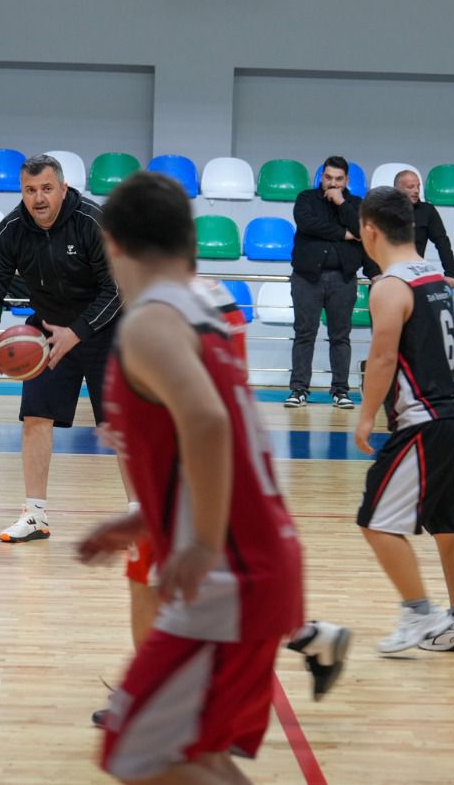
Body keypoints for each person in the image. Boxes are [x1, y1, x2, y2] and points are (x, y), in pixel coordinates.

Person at [77, 171, 303, 785]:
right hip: (262, 561)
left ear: (112, 244)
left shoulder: (151, 322)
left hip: (229, 574)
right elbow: (199, 443)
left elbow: (207, 423)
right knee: (196, 755)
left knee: (136, 751)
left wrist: (201, 542)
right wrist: (140, 522)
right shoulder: (208, 310)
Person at [353, 187, 454, 653]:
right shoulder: (434, 274)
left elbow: (383, 357)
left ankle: (419, 613)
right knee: (452, 531)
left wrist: (366, 416)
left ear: (370, 231)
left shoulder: (390, 285)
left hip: (425, 421)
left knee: (375, 521)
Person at [0, 154, 120, 543]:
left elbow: (117, 288)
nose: (38, 198)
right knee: (36, 418)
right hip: (48, 332)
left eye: (46, 188)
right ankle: (35, 515)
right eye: (30, 190)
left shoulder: (92, 221)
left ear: (63, 188)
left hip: (106, 328)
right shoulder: (11, 229)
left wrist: (78, 331)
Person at [287, 155, 378, 409]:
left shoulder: (357, 204)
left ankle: (340, 391)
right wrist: (343, 234)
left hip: (343, 278)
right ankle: (298, 389)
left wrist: (341, 204)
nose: (332, 183)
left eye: (338, 179)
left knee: (340, 336)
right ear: (321, 177)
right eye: (328, 177)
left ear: (346, 180)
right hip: (307, 278)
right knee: (304, 334)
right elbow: (307, 224)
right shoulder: (306, 198)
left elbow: (362, 232)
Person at [392, 168, 454, 282]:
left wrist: (451, 273)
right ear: (397, 190)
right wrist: (375, 274)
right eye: (410, 187)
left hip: (414, 276)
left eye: (418, 186)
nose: (416, 191)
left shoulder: (428, 210)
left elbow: (442, 242)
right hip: (387, 275)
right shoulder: (382, 210)